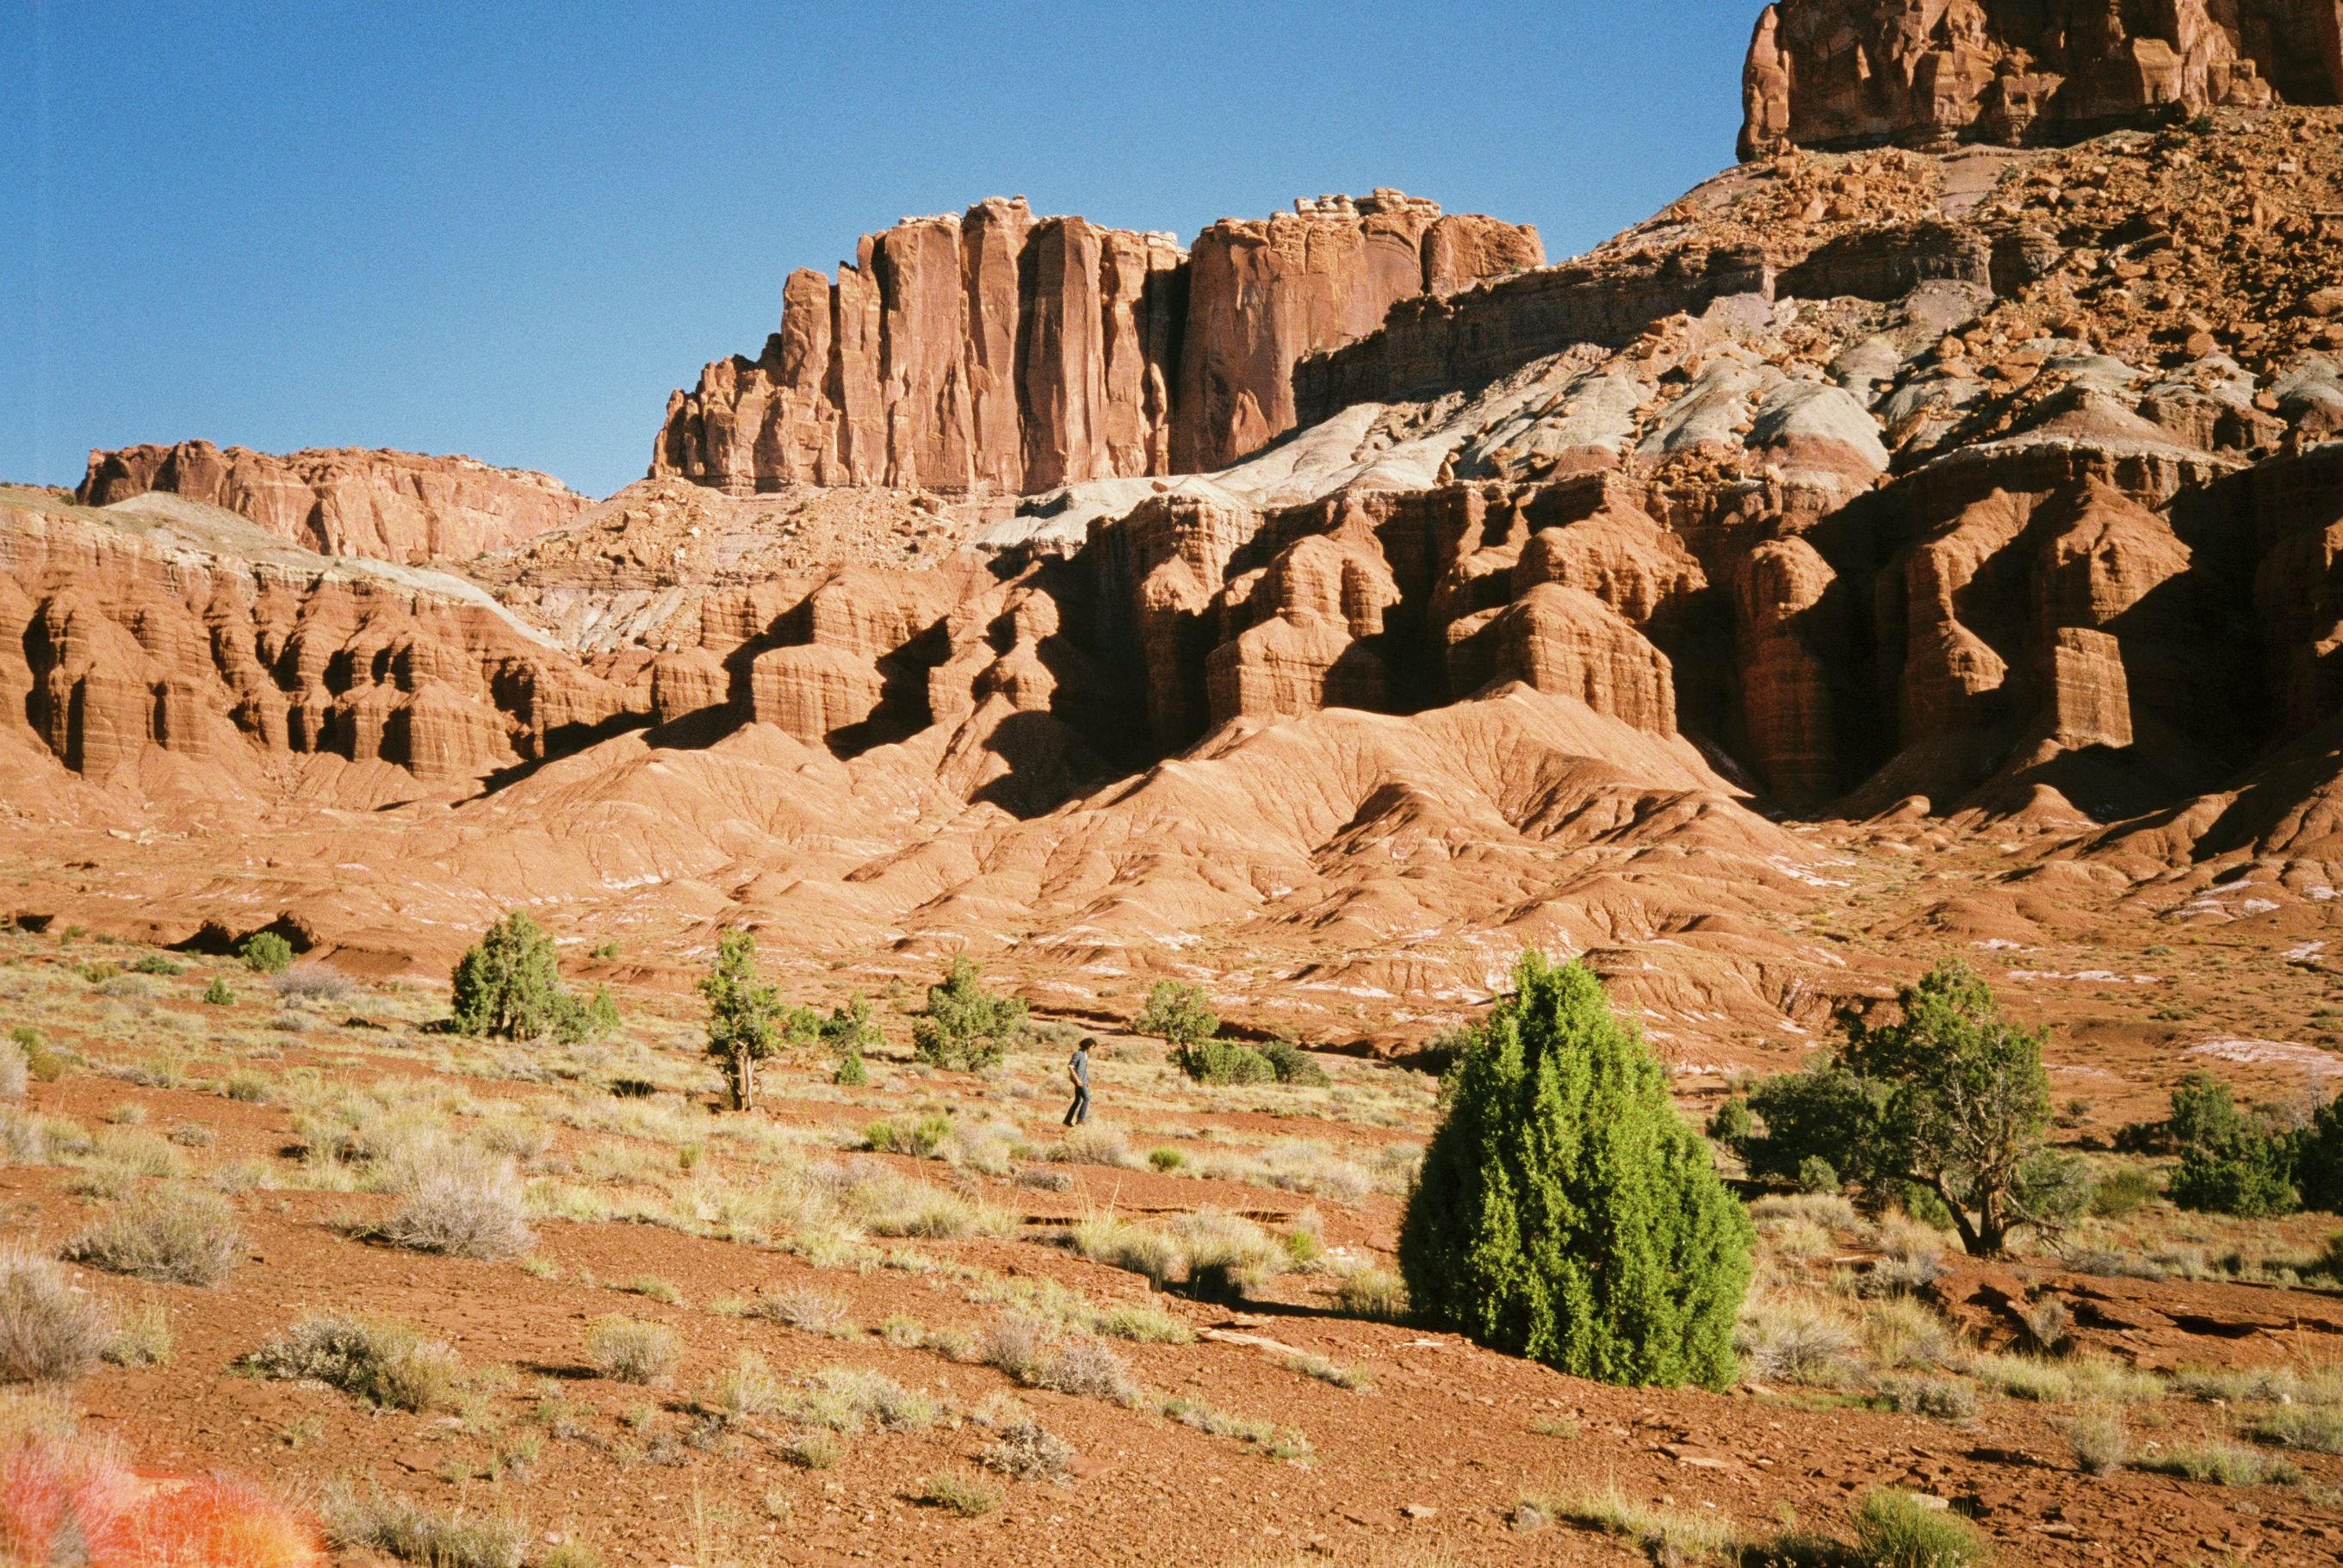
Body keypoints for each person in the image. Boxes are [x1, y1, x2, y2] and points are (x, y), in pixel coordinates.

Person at [1063, 1036, 1094, 1126]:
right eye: (1092, 1047)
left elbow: (1084, 1070)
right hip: (1079, 1080)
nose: (1092, 1049)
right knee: (1087, 1098)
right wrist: (1077, 1080)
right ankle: (1080, 1120)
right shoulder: (1078, 1054)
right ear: (1088, 1046)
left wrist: (1086, 1081)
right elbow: (1070, 1066)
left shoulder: (1085, 1055)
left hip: (1082, 1080)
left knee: (1077, 1101)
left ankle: (1067, 1120)